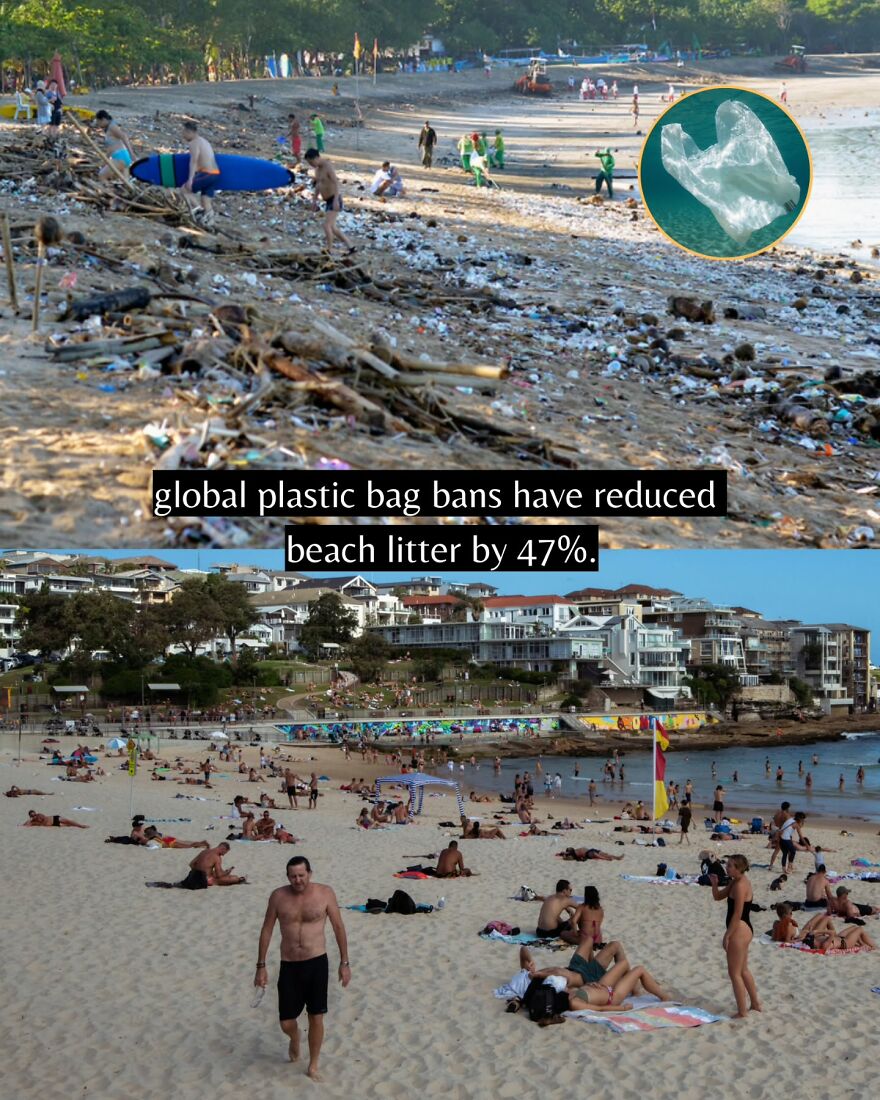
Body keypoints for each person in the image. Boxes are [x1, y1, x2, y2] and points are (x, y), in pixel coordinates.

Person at [254, 855, 350, 1081]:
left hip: (316, 962)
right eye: (293, 876)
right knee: (286, 1021)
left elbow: (338, 926)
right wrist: (261, 965)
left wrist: (344, 962)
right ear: (288, 876)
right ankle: (295, 1037)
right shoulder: (278, 897)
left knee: (316, 1016)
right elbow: (266, 929)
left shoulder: (325, 893)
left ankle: (313, 1065)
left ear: (310, 873)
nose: (297, 880)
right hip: (289, 964)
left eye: (301, 875)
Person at [710, 854, 761, 1019]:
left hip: (739, 930)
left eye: (730, 865)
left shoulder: (740, 885)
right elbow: (717, 897)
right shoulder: (735, 881)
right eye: (728, 864)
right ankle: (755, 1004)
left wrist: (727, 935)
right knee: (743, 970)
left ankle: (742, 1012)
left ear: (739, 868)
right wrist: (714, 884)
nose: (727, 867)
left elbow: (737, 913)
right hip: (743, 929)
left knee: (735, 973)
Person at [303, 149, 355, 253]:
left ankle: (329, 249)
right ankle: (351, 246)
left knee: (326, 225)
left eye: (311, 162)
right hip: (327, 200)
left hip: (334, 199)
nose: (311, 165)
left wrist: (336, 200)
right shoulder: (317, 170)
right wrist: (314, 200)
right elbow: (318, 185)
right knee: (333, 227)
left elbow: (336, 183)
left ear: (317, 158)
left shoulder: (328, 167)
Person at [180, 120, 220, 230]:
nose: (183, 135)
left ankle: (199, 211)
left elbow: (194, 161)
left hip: (207, 173)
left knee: (184, 190)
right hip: (215, 174)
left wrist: (190, 179)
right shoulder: (204, 141)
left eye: (184, 132)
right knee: (206, 200)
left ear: (189, 132)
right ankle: (210, 223)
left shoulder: (194, 143)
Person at [797, 912, 875, 951]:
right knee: (859, 929)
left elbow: (802, 938)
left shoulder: (817, 939)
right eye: (812, 938)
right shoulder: (824, 945)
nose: (813, 937)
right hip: (846, 943)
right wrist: (817, 931)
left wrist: (812, 931)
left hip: (839, 938)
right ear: (814, 942)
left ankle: (862, 944)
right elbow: (832, 933)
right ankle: (874, 947)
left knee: (854, 927)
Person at [94, 110, 134, 179]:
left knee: (101, 176)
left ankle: (105, 189)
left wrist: (131, 153)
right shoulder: (110, 127)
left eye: (99, 122)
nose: (99, 125)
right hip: (124, 157)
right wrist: (105, 160)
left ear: (103, 119)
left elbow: (124, 136)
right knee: (126, 183)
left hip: (119, 157)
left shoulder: (112, 127)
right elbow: (110, 148)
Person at [143, 826, 209, 850]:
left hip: (168, 843)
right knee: (186, 842)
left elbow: (147, 841)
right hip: (168, 839)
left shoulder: (151, 837)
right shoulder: (156, 833)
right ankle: (201, 844)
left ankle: (202, 844)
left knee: (188, 846)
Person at [22, 810, 87, 828]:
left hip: (55, 818)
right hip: (54, 824)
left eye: (34, 814)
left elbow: (43, 819)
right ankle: (79, 826)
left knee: (68, 821)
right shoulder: (33, 822)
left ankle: (81, 825)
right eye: (32, 816)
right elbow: (25, 825)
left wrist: (38, 820)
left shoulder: (39, 815)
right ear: (30, 817)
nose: (34, 816)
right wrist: (30, 820)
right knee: (68, 825)